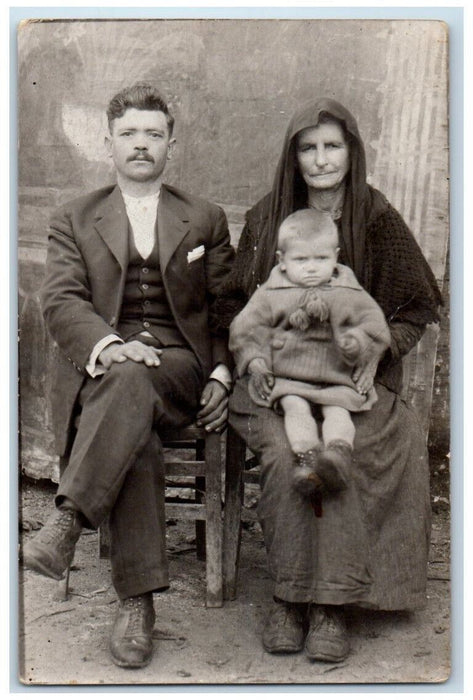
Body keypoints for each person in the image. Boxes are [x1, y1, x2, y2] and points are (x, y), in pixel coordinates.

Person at [215, 98, 442, 663]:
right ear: (293, 156)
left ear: (352, 152)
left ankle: (331, 605)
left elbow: (414, 310)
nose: (321, 160)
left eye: (332, 146)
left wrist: (374, 353)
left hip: (350, 378)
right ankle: (291, 596)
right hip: (276, 381)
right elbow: (235, 308)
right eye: (308, 147)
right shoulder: (271, 217)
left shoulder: (377, 217)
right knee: (286, 451)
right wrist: (253, 363)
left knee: (363, 446)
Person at [22, 82, 234, 669]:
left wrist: (222, 371)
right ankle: (137, 607)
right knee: (128, 399)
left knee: (136, 384)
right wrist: (109, 346)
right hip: (111, 370)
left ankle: (66, 524)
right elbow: (62, 300)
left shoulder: (206, 217)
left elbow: (226, 306)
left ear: (172, 144)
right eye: (128, 134)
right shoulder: (74, 217)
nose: (141, 145)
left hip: (181, 368)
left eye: (153, 134)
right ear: (107, 143)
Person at [229, 208, 390, 496]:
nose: (312, 268)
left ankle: (337, 455)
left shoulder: (348, 289)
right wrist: (254, 361)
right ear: (282, 261)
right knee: (295, 406)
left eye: (321, 259)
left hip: (337, 375)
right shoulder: (271, 291)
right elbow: (244, 329)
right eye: (301, 260)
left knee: (338, 411)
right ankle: (308, 457)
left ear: (336, 257)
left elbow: (375, 325)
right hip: (289, 376)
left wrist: (361, 343)